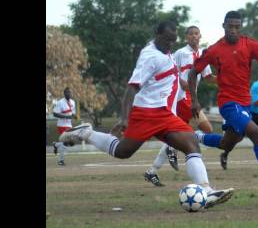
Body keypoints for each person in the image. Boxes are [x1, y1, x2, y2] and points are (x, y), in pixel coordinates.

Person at [59, 21, 234, 208]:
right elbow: (131, 88)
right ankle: (86, 133)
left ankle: (206, 191)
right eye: (167, 40)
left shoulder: (165, 52)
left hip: (165, 115)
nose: (170, 44)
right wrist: (124, 118)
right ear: (157, 35)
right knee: (122, 151)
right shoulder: (150, 57)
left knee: (191, 143)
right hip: (146, 113)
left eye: (172, 41)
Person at [187, 11, 258, 197]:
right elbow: (193, 72)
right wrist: (194, 100)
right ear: (224, 26)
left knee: (226, 144)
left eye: (237, 27)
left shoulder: (250, 45)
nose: (233, 30)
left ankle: (194, 136)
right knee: (256, 134)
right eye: (230, 26)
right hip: (229, 104)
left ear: (241, 27)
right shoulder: (214, 50)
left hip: (244, 104)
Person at [144, 25, 217, 187]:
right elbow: (170, 69)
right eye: (190, 34)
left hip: (191, 97)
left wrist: (225, 78)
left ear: (200, 36)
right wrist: (180, 80)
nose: (193, 36)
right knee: (207, 129)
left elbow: (208, 77)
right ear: (186, 38)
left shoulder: (203, 55)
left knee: (175, 138)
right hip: (181, 98)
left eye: (196, 33)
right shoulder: (181, 53)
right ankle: (191, 154)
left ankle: (152, 171)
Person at [52, 87, 77, 166]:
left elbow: (72, 113)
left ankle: (56, 145)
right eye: (67, 92)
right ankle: (61, 161)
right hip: (61, 125)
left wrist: (74, 116)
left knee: (71, 143)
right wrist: (65, 117)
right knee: (65, 142)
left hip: (69, 125)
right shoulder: (60, 102)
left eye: (70, 92)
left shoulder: (73, 102)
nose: (68, 94)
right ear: (64, 93)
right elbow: (55, 113)